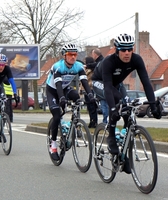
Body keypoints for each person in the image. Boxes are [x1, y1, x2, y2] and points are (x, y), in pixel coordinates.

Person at [91, 33, 162, 173]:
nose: (127, 52)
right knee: (116, 103)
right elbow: (107, 87)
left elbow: (146, 83)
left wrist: (153, 105)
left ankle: (123, 154)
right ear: (117, 50)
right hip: (100, 83)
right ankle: (111, 137)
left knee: (128, 110)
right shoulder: (108, 62)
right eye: (123, 50)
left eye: (130, 49)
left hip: (117, 84)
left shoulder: (136, 59)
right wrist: (112, 109)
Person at [46, 43, 95, 161]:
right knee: (57, 116)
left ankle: (75, 125)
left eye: (75, 54)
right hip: (53, 90)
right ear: (64, 56)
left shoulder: (78, 66)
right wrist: (61, 98)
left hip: (65, 88)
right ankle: (53, 145)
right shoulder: (58, 66)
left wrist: (90, 95)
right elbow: (57, 85)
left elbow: (84, 82)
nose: (73, 57)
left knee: (77, 99)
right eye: (70, 54)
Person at [83, 56, 98, 128]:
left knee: (92, 107)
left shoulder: (92, 70)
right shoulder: (86, 70)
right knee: (89, 107)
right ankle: (91, 120)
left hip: (91, 89)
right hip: (86, 90)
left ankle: (94, 121)